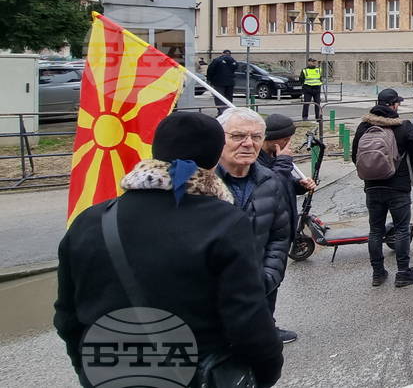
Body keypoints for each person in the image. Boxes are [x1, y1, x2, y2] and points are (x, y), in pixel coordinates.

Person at [54, 113, 284, 388]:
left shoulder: (90, 220)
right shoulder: (224, 221)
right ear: (215, 158)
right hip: (193, 371)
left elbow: (67, 314)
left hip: (107, 372)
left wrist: (85, 366)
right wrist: (267, 371)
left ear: (156, 150)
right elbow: (246, 317)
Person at [215, 108, 295, 343]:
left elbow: (279, 236)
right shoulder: (199, 183)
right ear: (220, 139)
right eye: (238, 136)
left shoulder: (270, 181)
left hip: (261, 282)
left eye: (256, 137)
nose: (248, 144)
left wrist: (268, 277)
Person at [352, 89, 413, 288]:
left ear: (377, 103)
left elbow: (354, 157)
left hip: (371, 186)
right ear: (394, 105)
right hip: (398, 186)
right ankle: (403, 272)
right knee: (401, 229)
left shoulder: (363, 127)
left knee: (375, 230)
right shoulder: (403, 126)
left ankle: (378, 273)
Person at [256, 114, 316, 320]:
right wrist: (283, 163)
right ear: (272, 139)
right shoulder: (257, 161)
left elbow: (285, 184)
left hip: (281, 231)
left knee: (274, 282)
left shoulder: (275, 157)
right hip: (265, 234)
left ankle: (269, 324)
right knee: (264, 284)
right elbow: (270, 188)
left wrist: (299, 185)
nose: (289, 144)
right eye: (286, 140)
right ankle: (265, 328)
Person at [206, 49, 238, 115]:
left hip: (218, 82)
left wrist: (210, 79)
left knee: (219, 98)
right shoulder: (234, 62)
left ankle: (222, 113)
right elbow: (235, 69)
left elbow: (210, 70)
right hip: (230, 82)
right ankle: (228, 113)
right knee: (228, 98)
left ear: (222, 53)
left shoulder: (217, 61)